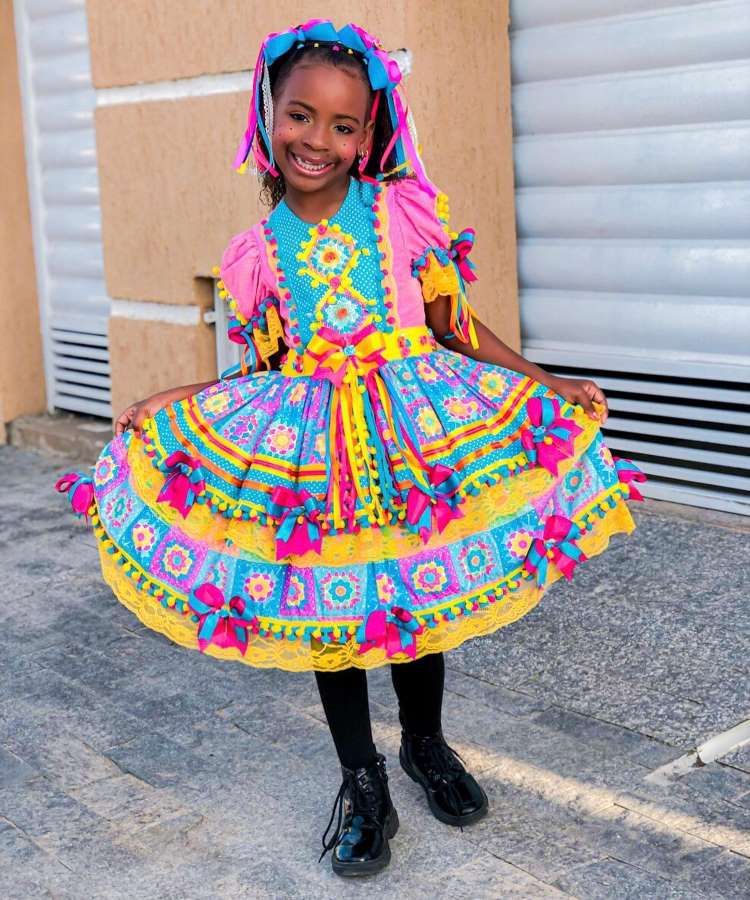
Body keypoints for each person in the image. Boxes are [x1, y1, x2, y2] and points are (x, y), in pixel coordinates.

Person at [55, 19, 647, 879]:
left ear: (370, 134)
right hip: (311, 455)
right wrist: (183, 397)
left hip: (413, 439)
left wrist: (542, 381)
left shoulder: (404, 214)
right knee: (331, 614)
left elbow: (452, 325)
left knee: (414, 600)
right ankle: (360, 781)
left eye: (343, 126)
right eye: (301, 117)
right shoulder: (256, 254)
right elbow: (260, 366)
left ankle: (424, 746)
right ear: (269, 115)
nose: (318, 141)